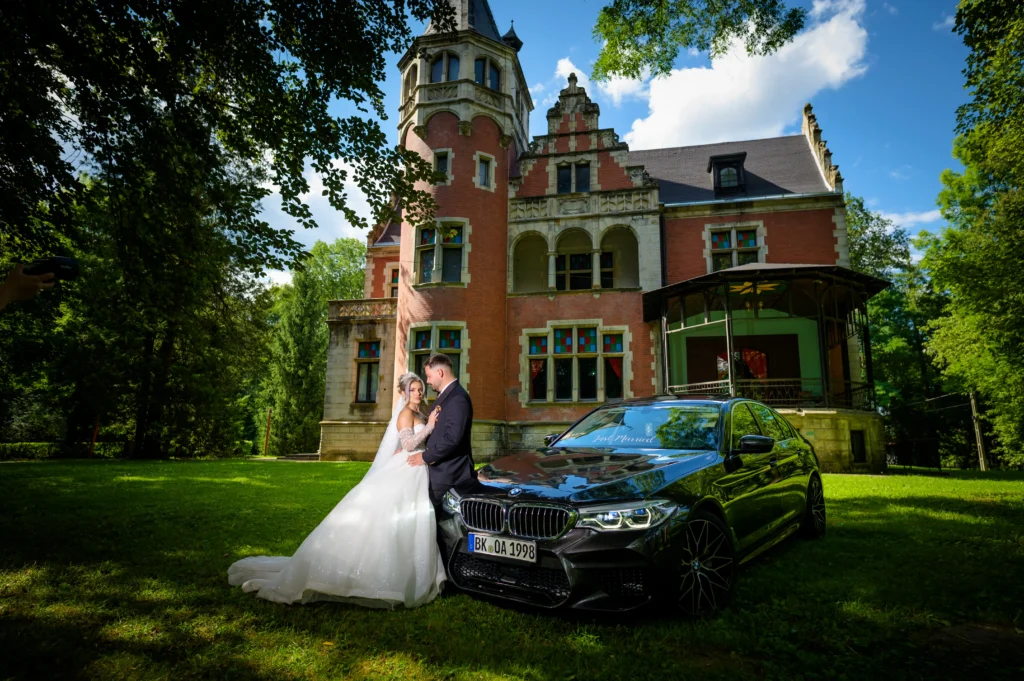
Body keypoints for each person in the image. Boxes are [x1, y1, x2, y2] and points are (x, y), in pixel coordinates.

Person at [227, 372, 445, 608]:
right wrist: (430, 426)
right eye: (413, 389)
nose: (418, 392)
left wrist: (429, 424)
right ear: (403, 393)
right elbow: (409, 444)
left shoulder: (418, 412)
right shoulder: (405, 414)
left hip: (414, 470)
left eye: (420, 388)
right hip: (408, 467)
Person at [407, 353, 478, 512]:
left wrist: (425, 457)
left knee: (443, 523)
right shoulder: (447, 395)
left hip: (450, 474)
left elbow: (452, 438)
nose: (427, 381)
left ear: (440, 373)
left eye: (429, 376)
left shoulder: (457, 398)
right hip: (441, 472)